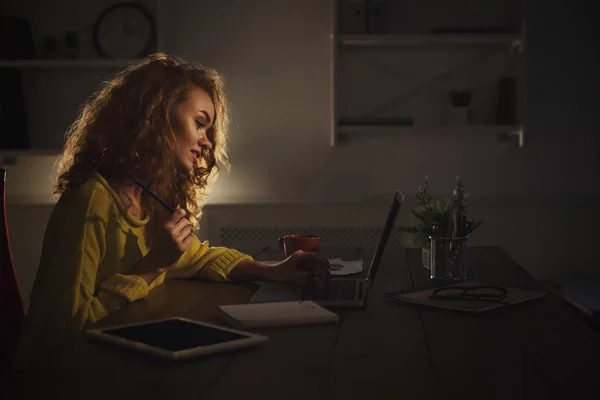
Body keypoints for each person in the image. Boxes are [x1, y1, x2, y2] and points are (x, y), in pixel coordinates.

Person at [15, 53, 329, 367]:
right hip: (58, 375)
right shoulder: (91, 203)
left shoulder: (151, 197)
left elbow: (198, 257)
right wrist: (153, 266)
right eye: (200, 123)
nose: (207, 142)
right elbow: (65, 329)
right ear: (157, 117)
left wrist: (273, 270)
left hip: (116, 360)